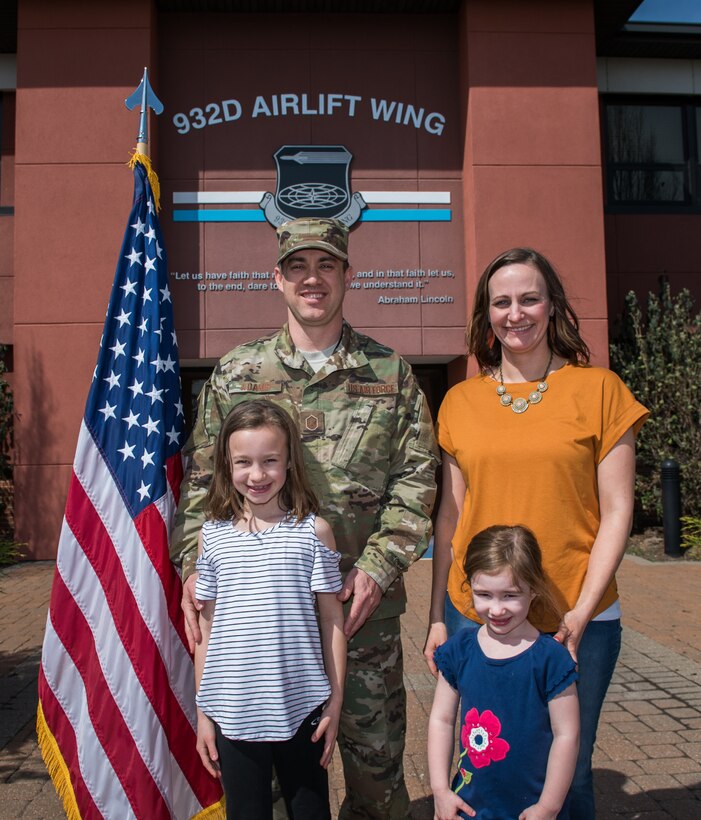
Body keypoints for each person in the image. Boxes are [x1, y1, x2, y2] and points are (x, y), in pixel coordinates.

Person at [172, 217, 440, 819]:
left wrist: (376, 568)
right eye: (298, 266)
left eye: (326, 265)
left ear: (348, 274)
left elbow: (417, 482)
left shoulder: (390, 375)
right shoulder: (236, 373)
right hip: (257, 627)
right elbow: (200, 486)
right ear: (278, 278)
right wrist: (194, 567)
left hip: (359, 614)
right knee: (261, 792)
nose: (311, 279)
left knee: (375, 781)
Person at [423, 247, 649, 819]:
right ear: (486, 314)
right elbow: (449, 520)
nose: (515, 313)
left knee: (567, 771)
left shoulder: (600, 391)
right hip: (478, 614)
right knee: (482, 758)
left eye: (529, 298)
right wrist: (434, 618)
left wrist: (579, 610)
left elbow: (618, 511)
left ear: (553, 307)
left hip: (580, 615)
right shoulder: (459, 401)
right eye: (502, 302)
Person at [194, 400, 345, 819]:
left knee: (311, 811)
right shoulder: (212, 537)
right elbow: (205, 631)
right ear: (227, 464)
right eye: (243, 462)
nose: (257, 475)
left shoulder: (314, 532)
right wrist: (203, 714)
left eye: (270, 461)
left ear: (290, 463)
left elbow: (333, 621)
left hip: (303, 711)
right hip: (233, 715)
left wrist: (334, 703)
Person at [428, 525, 580, 820]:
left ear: (534, 589)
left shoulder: (551, 659)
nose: (496, 609)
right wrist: (440, 791)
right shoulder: (459, 650)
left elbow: (567, 735)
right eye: (483, 594)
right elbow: (442, 719)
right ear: (468, 586)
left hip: (533, 809)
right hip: (471, 805)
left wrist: (548, 807)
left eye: (510, 595)